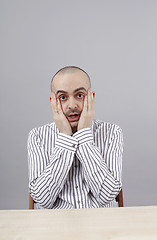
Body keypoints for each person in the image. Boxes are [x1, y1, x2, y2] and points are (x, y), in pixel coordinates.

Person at [27, 66, 123, 209]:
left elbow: (107, 195)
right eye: (63, 97)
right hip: (53, 226)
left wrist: (83, 134)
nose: (72, 105)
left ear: (91, 98)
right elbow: (43, 199)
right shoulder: (37, 136)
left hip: (100, 225)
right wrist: (65, 137)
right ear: (53, 101)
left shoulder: (111, 132)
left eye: (79, 95)